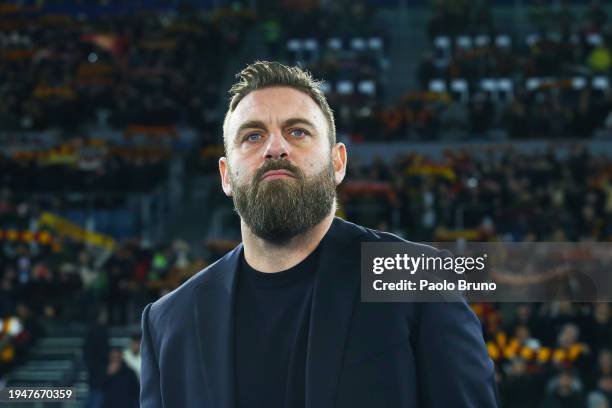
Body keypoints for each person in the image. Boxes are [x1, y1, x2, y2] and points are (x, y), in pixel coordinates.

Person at [140, 61, 498, 407]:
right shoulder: (169, 323)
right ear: (225, 176)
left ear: (338, 162)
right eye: (252, 136)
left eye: (297, 131)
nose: (275, 148)